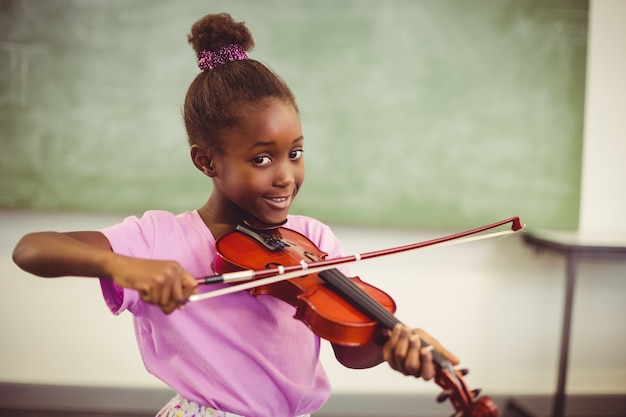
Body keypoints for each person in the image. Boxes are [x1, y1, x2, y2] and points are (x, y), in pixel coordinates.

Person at [12, 12, 459, 417]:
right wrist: (119, 264)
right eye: (262, 159)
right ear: (206, 161)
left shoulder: (311, 241)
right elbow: (31, 248)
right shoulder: (160, 238)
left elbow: (349, 350)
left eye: (296, 152)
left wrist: (390, 346)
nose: (286, 176)